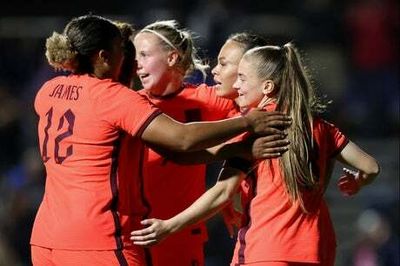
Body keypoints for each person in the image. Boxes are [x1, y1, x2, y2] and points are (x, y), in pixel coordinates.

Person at [30, 14, 292, 266]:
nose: (132, 62)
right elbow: (182, 139)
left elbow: (176, 154)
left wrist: (239, 151)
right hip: (98, 236)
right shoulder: (117, 99)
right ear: (103, 57)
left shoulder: (47, 92)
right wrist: (248, 123)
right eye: (126, 51)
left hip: (47, 237)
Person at [130, 43, 380, 266]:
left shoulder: (255, 125)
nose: (237, 85)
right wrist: (358, 182)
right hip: (317, 248)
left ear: (267, 86)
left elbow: (222, 192)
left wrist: (169, 226)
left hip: (267, 246)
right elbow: (371, 167)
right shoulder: (321, 127)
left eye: (241, 77)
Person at [133, 21, 288, 266]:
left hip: (183, 231)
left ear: (172, 57)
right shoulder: (128, 105)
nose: (136, 63)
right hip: (134, 230)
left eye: (143, 54)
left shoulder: (210, 100)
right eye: (134, 55)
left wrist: (232, 191)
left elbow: (250, 99)